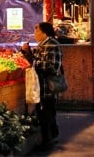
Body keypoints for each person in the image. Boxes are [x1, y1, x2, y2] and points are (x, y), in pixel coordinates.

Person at [21, 22, 63, 151]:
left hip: (46, 85)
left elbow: (51, 66)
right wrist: (26, 52)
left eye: (37, 31)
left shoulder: (51, 45)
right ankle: (52, 136)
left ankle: (48, 140)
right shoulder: (43, 44)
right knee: (46, 111)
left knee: (45, 112)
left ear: (44, 33)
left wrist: (32, 60)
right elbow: (37, 61)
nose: (35, 34)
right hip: (42, 84)